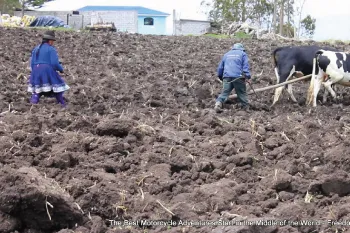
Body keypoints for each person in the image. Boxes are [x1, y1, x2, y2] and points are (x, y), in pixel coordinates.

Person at [28, 30, 69, 107]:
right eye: (52, 41)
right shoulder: (51, 49)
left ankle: (33, 104)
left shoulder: (36, 49)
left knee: (37, 89)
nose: (53, 42)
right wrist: (60, 69)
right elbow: (54, 63)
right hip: (47, 69)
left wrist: (35, 72)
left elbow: (32, 63)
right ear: (50, 41)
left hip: (36, 70)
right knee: (57, 85)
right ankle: (62, 103)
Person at [214, 43, 252, 112]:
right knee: (241, 93)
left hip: (227, 77)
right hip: (238, 77)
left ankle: (218, 104)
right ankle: (246, 108)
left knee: (225, 92)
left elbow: (220, 68)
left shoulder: (226, 54)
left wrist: (221, 77)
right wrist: (247, 76)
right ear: (242, 49)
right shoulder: (242, 54)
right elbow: (245, 67)